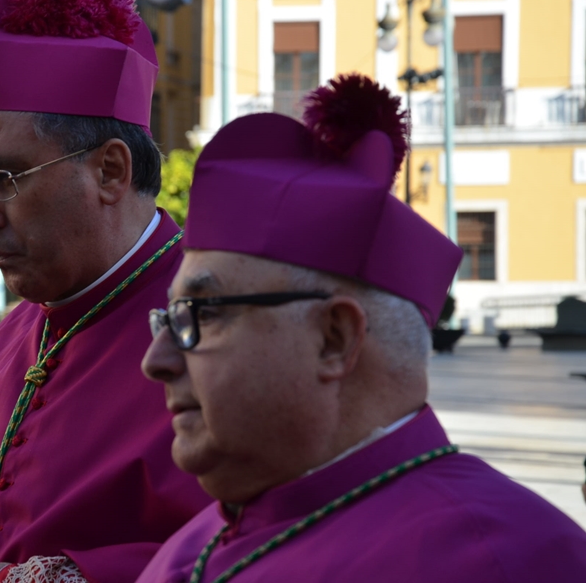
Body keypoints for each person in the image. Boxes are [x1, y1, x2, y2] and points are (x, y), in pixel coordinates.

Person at [137, 74, 586, 582]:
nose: (156, 361)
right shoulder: (198, 541)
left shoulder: (506, 559)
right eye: (168, 318)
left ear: (335, 339)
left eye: (202, 313)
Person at [0, 0, 210, 582]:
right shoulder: (17, 330)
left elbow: (248, 545)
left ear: (110, 171)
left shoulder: (219, 327)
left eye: (6, 178)